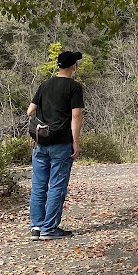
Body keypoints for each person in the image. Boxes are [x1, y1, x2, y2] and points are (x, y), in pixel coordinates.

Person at [26, 50, 85, 241]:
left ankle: (36, 226)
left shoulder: (45, 84)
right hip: (61, 143)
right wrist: (76, 142)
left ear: (59, 65)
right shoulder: (74, 87)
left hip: (41, 142)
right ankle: (49, 228)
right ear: (73, 66)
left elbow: (30, 111)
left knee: (39, 185)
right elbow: (76, 115)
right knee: (57, 186)